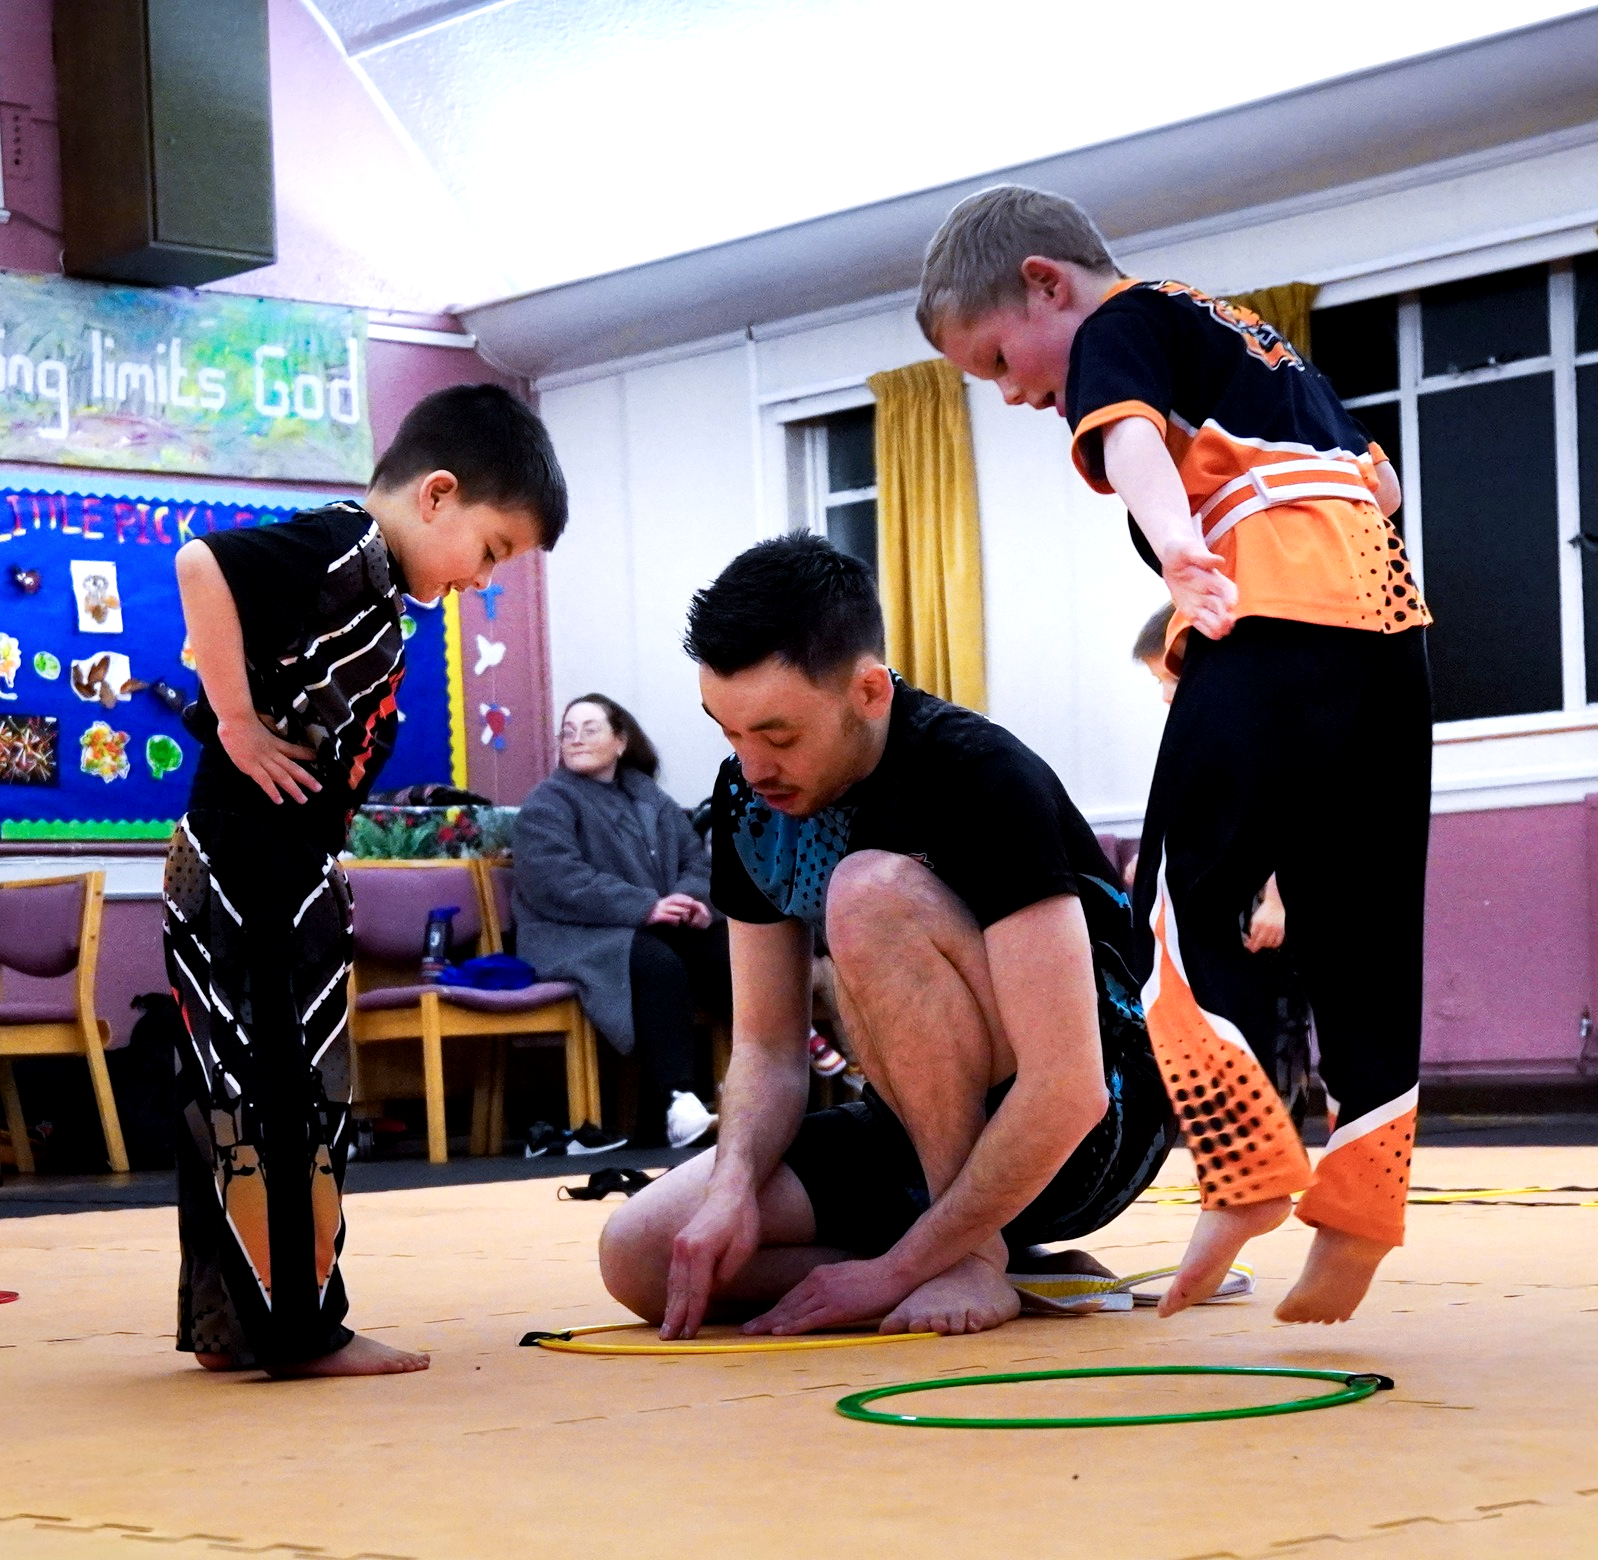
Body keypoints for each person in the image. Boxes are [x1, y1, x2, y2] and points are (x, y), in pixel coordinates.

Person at [920, 185, 1431, 1324]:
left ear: (1046, 283)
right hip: (1393, 636)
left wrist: (1182, 544)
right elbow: (1380, 483)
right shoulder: (1247, 333)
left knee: (1174, 903)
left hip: (1277, 617)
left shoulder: (1116, 327)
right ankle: (1360, 1213)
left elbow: (1137, 439)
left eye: (1000, 358)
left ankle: (1246, 1168)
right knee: (1365, 925)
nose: (1010, 392)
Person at [598, 533, 1175, 1340]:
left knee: (867, 891)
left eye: (780, 735)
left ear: (869, 692)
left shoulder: (976, 773)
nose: (753, 766)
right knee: (644, 1255)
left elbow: (1069, 1086)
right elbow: (768, 1050)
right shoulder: (745, 802)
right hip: (915, 1122)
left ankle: (968, 1255)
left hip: (1089, 1132)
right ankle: (1009, 1263)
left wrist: (905, 1270)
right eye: (729, 733)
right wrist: (731, 1184)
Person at [166, 383, 568, 1379]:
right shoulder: (349, 550)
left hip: (263, 855)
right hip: (249, 857)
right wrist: (238, 721)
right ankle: (302, 1328)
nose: (484, 581)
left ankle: (232, 1324)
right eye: (493, 551)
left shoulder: (380, 585)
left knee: (235, 1095)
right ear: (437, 496)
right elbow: (201, 560)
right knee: (288, 1094)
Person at [512, 693, 728, 1150]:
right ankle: (678, 1102)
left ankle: (763, 1086)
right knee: (657, 963)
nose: (576, 739)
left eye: (590, 729)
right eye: (568, 731)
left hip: (643, 924)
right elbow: (556, 880)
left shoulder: (652, 799)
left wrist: (688, 901)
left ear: (621, 740)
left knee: (722, 948)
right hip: (570, 936)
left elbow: (696, 862)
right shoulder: (546, 803)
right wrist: (646, 906)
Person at [1132, 602, 1312, 1123]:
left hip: (1265, 906)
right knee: (1237, 1018)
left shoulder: (1261, 727)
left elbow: (1284, 812)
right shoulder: (1210, 731)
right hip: (1231, 906)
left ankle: (1275, 1131)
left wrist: (1276, 901)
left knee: (1276, 1025)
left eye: (1165, 676)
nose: (1164, 694)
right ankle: (1249, 1128)